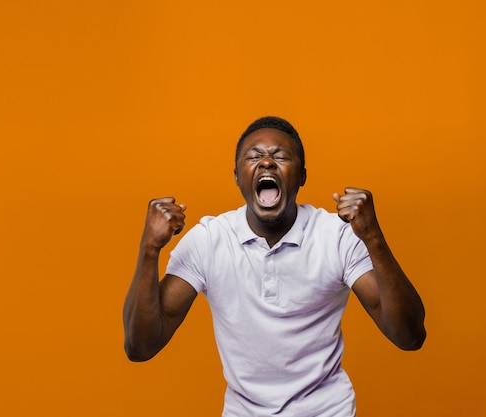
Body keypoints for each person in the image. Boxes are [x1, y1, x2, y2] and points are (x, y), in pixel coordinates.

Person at [123, 116, 426, 416]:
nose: (266, 163)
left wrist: (373, 237)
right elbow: (140, 347)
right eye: (254, 157)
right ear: (238, 177)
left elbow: (409, 336)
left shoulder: (335, 236)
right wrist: (149, 249)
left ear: (302, 176)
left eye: (280, 157)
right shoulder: (209, 240)